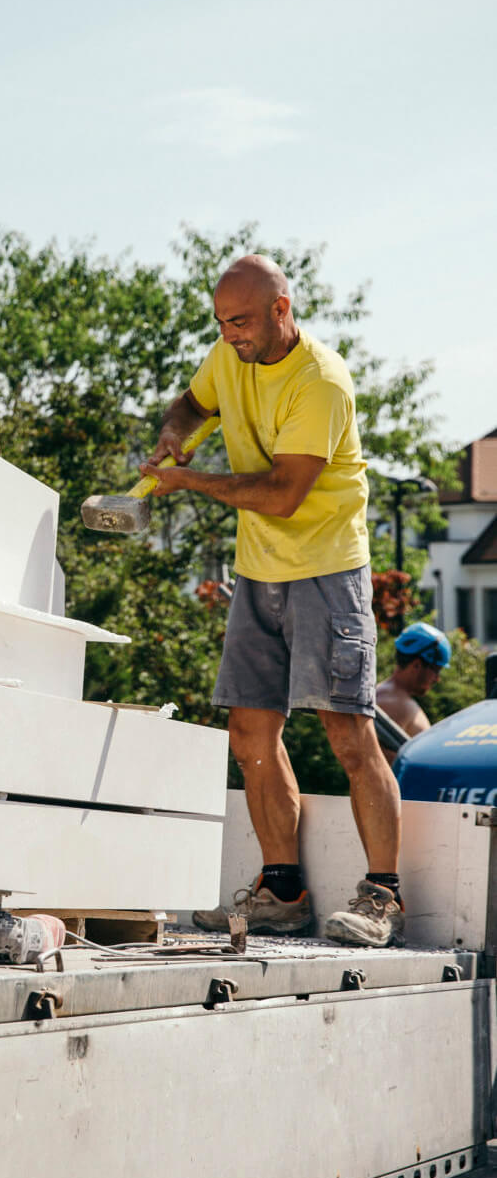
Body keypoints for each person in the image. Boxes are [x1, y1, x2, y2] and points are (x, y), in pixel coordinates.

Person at [140, 254, 404, 947]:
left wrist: (190, 480)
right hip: (259, 573)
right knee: (251, 737)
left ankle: (382, 897)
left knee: (349, 735)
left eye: (244, 321)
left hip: (327, 570)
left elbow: (284, 496)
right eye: (222, 322)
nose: (231, 335)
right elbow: (194, 402)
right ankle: (282, 890)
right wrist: (175, 432)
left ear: (282, 311)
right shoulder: (229, 353)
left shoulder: (320, 381)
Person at [376, 621, 451, 756]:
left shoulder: (391, 696)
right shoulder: (394, 703)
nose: (437, 679)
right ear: (416, 665)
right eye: (436, 670)